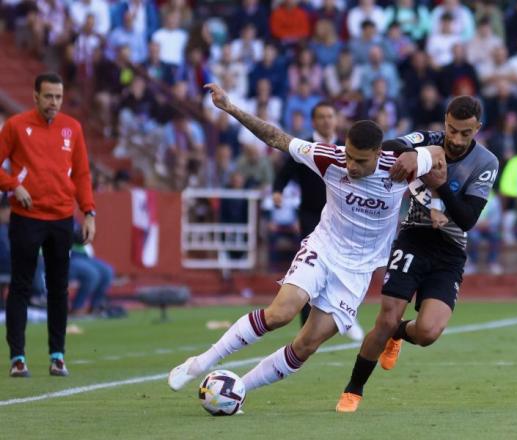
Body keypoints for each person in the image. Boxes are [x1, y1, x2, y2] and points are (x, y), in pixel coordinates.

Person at [168, 82, 443, 400]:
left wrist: (420, 159)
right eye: (349, 156)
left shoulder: (400, 167)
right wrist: (231, 108)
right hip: (323, 248)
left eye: (360, 161)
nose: (351, 165)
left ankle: (238, 389)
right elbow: (276, 138)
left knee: (306, 344)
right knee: (280, 314)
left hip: (357, 271)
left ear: (379, 155)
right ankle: (200, 363)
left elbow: (438, 156)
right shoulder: (330, 157)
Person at [336, 96, 499, 412]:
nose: (456, 139)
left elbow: (467, 219)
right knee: (385, 317)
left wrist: (442, 186)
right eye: (452, 129)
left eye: (465, 133)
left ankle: (400, 332)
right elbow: (394, 144)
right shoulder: (430, 140)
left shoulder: (487, 162)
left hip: (450, 250)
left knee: (427, 333)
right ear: (445, 120)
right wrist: (414, 156)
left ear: (477, 129)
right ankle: (353, 390)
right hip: (414, 237)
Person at [0, 72, 96, 377]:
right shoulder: (16, 126)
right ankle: (17, 357)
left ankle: (58, 356)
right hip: (27, 218)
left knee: (58, 289)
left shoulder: (73, 128)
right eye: (48, 96)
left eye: (58, 96)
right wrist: (14, 184)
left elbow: (81, 174)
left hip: (61, 219)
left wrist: (89, 212)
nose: (54, 102)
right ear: (35, 96)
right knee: (21, 286)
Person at [272, 101, 365, 341]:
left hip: (343, 217)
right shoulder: (306, 147)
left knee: (343, 266)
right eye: (321, 117)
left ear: (336, 120)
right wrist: (278, 191)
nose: (326, 121)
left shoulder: (348, 148)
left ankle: (345, 313)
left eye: (330, 116)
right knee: (308, 269)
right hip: (311, 215)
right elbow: (284, 173)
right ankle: (306, 327)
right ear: (313, 121)